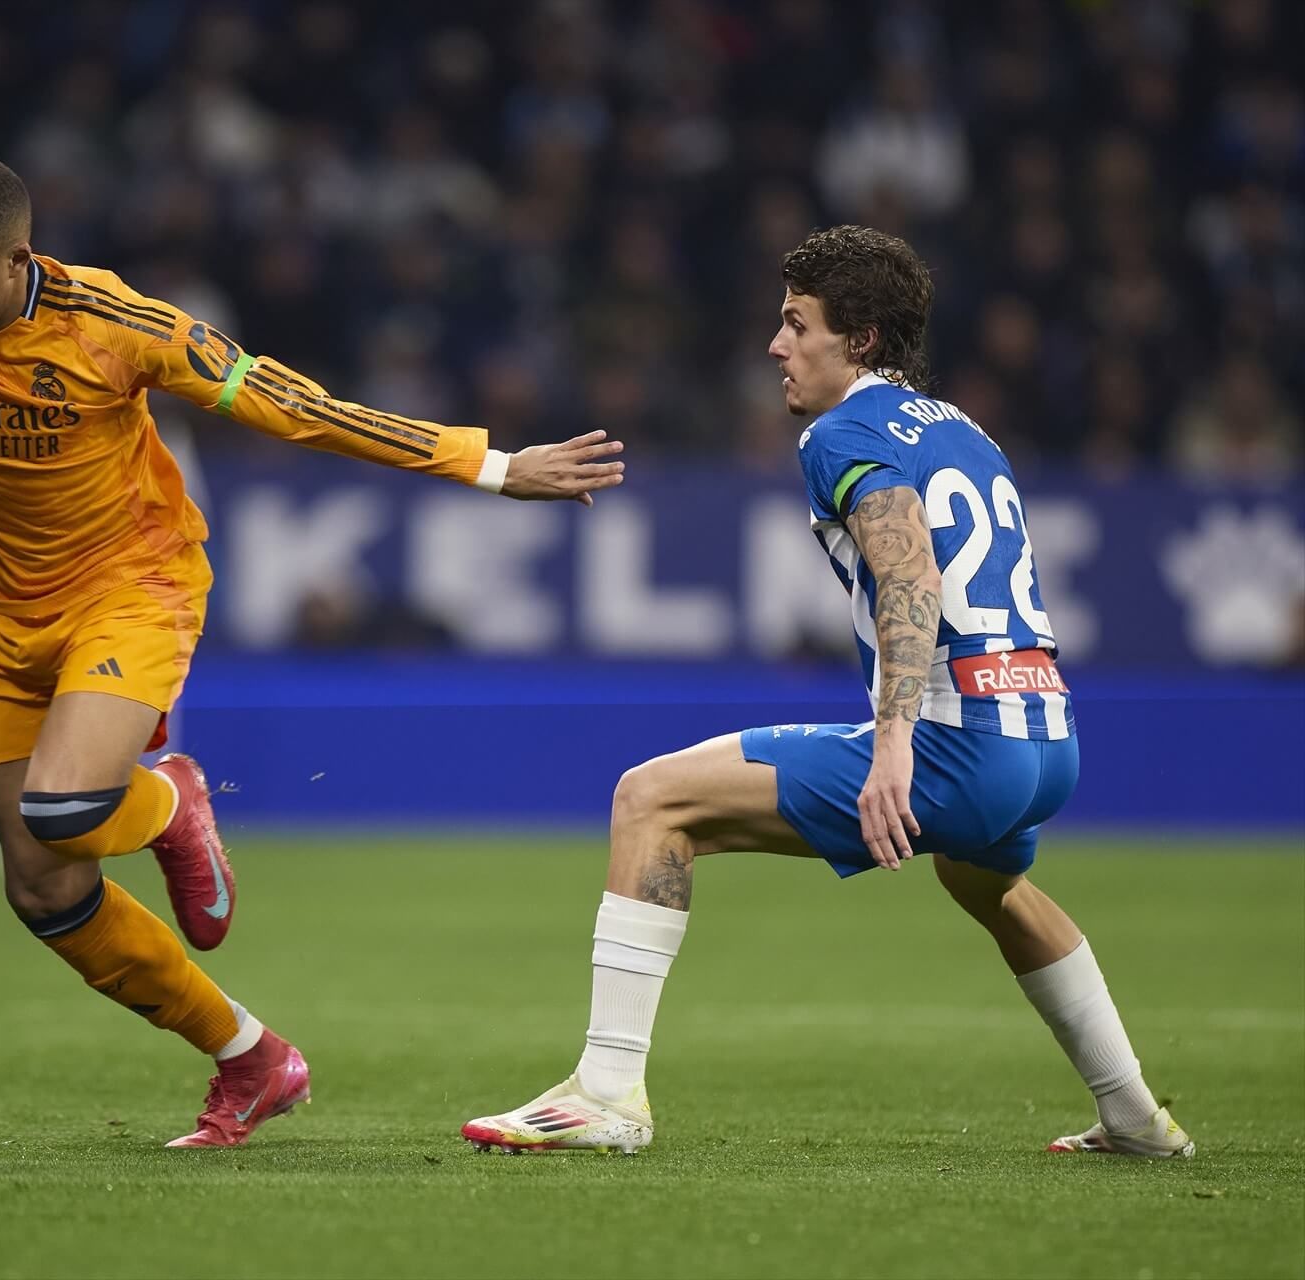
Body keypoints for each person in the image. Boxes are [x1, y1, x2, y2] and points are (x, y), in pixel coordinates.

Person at [0, 153, 625, 1148]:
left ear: (17, 259)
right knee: (41, 882)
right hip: (4, 616)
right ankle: (252, 1057)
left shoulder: (114, 325)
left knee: (65, 805)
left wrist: (489, 463)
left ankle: (172, 797)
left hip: (132, 585)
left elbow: (292, 405)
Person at [461, 225, 1194, 1159]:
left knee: (652, 799)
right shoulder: (963, 427)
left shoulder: (840, 431)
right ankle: (1133, 1114)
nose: (777, 345)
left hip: (956, 742)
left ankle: (605, 1091)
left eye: (796, 324)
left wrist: (894, 747)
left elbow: (911, 575)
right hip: (1045, 736)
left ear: (862, 342)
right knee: (989, 884)